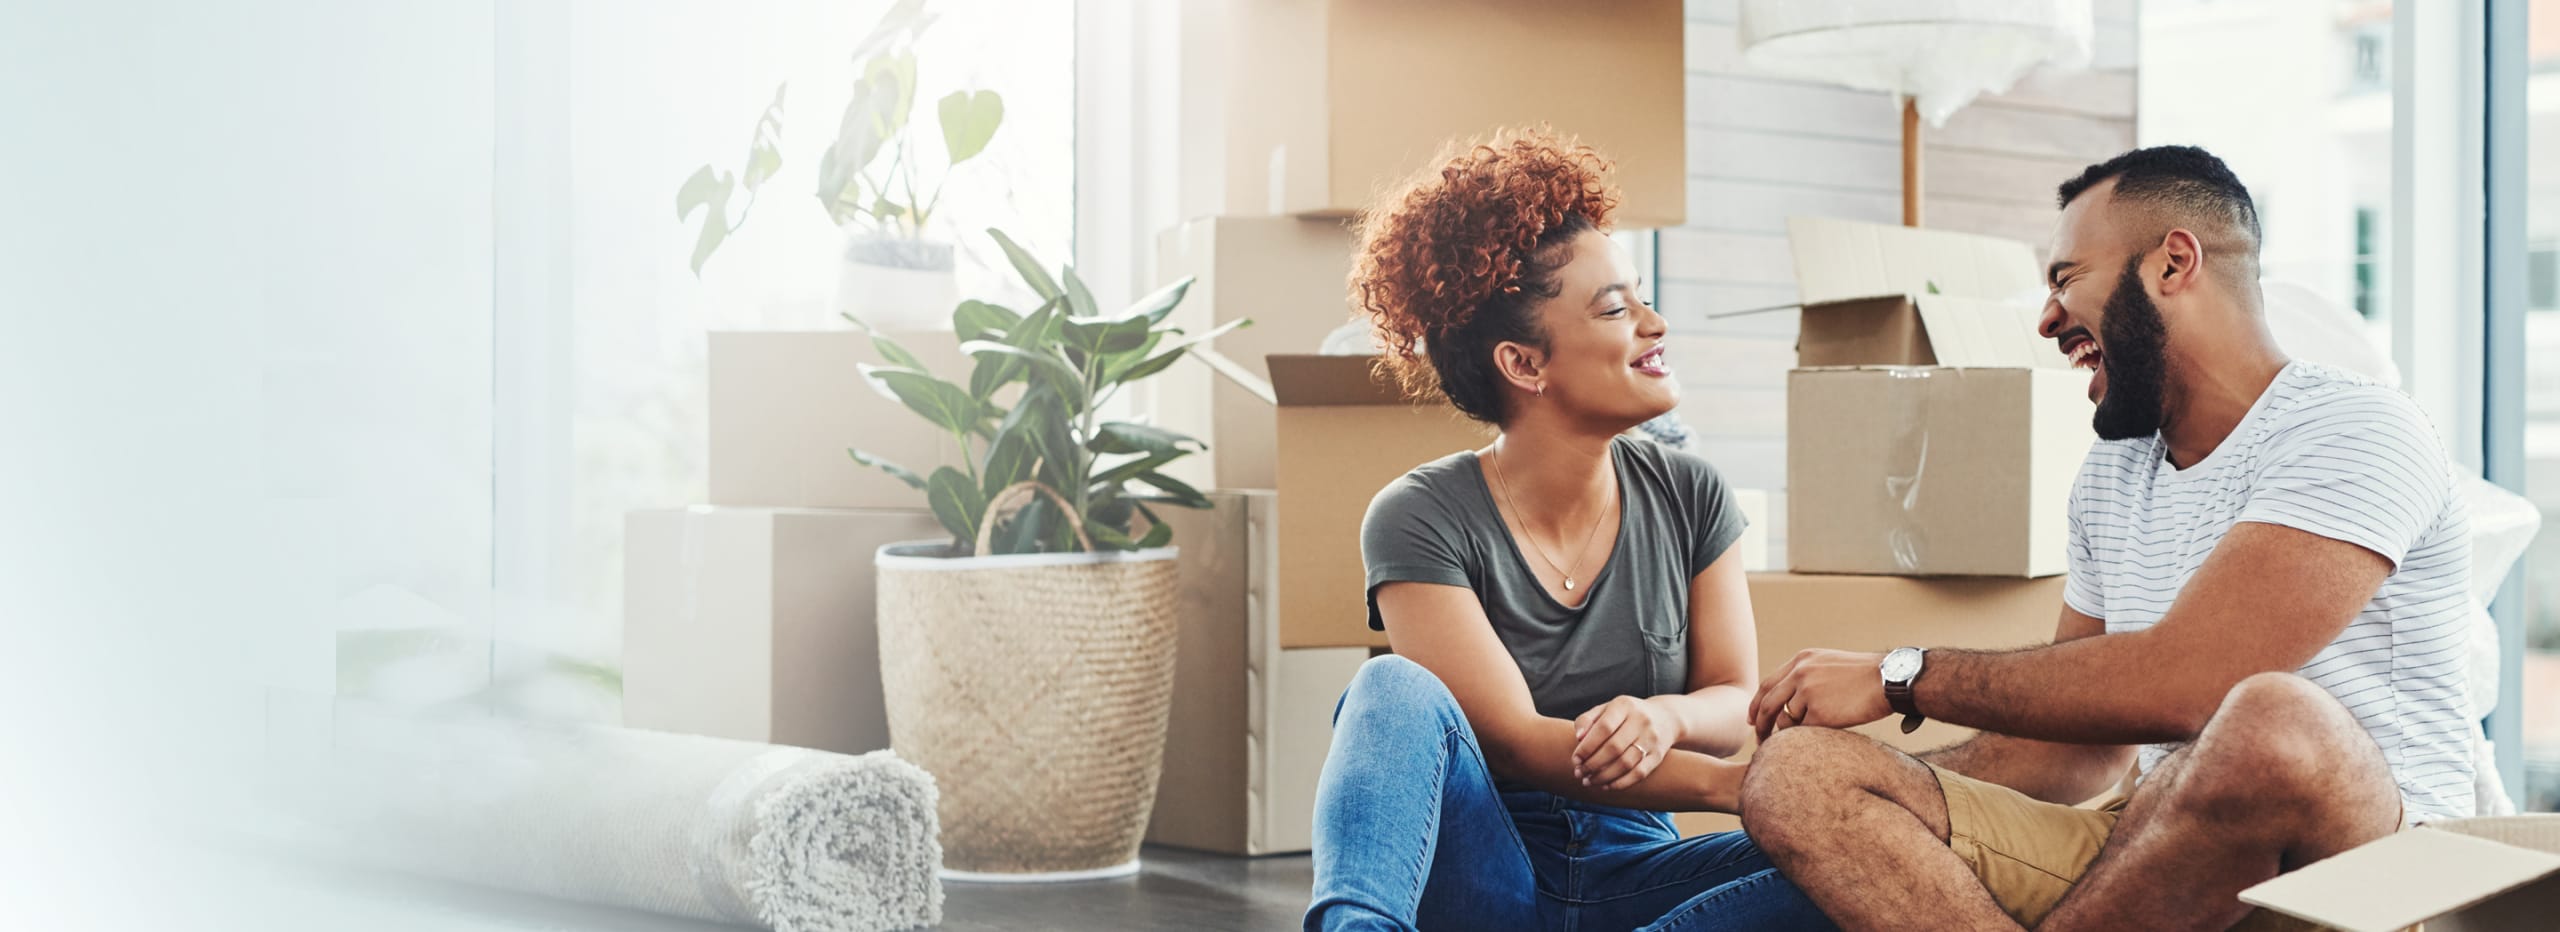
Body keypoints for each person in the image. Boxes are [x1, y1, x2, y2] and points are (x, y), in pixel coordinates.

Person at [1737, 145, 2475, 931]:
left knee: (2272, 722)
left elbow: (2191, 687)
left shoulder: (2354, 428)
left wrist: (1902, 677)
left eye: (2064, 280)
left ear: (2172, 264)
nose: (2048, 319)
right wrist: (1888, 790)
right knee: (1798, 774)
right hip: (2162, 849)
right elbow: (2071, 755)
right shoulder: (2116, 472)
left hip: (2383, 874)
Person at [1301, 127, 1833, 932]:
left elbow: (1732, 699)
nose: (1654, 324)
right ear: (1525, 364)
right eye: (1618, 308)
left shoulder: (1691, 492)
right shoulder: (1418, 516)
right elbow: (1513, 744)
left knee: (1870, 855)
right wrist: (1730, 791)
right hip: (1485, 872)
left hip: (1639, 869)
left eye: (1643, 296)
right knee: (1387, 687)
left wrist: (1668, 718)